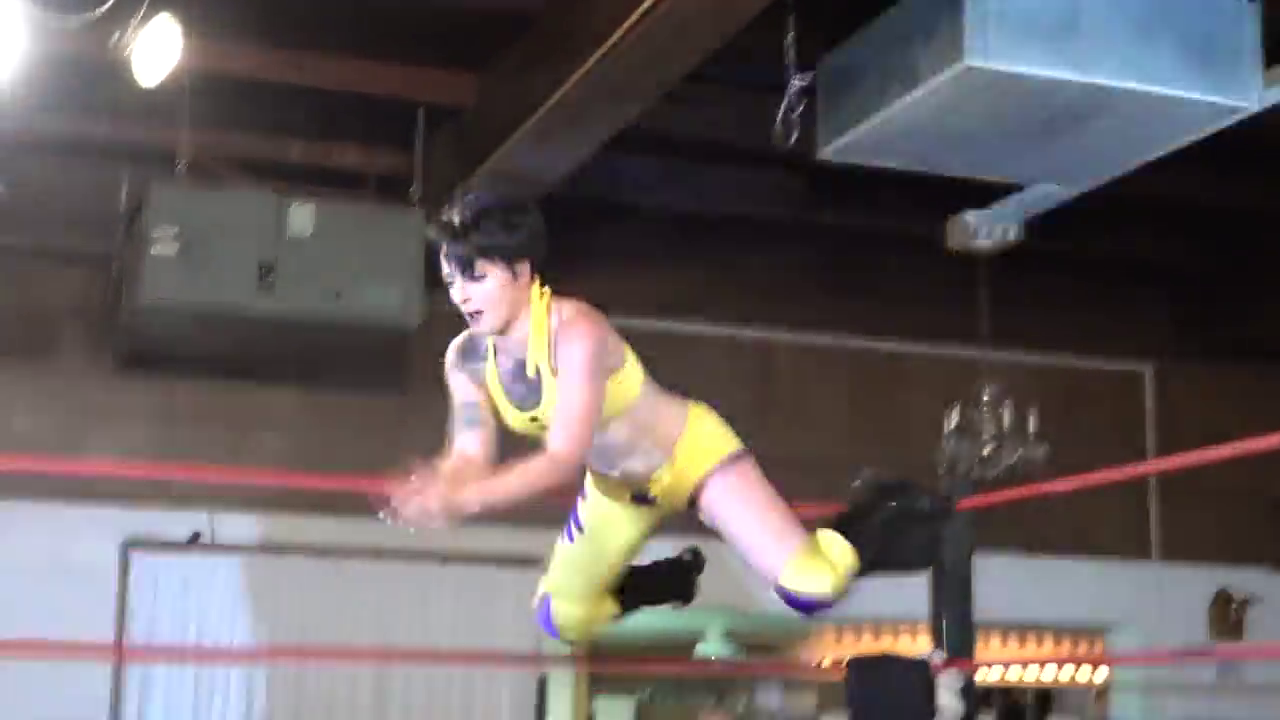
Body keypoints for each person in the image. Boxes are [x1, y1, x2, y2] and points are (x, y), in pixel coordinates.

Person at [388, 195, 949, 645]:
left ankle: (875, 510)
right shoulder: (466, 358)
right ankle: (662, 583)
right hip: (619, 488)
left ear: (520, 270)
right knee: (562, 618)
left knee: (813, 588)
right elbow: (469, 453)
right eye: (451, 280)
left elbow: (561, 456)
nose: (461, 295)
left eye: (475, 277)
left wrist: (466, 500)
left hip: (691, 457)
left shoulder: (576, 332)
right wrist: (439, 486)